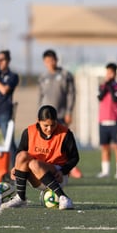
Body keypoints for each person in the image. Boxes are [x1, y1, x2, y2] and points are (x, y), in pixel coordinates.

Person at [1, 105, 79, 209]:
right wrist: (16, 167)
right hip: (37, 176)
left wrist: (63, 171)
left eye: (53, 125)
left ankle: (63, 197)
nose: (49, 129)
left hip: (58, 176)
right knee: (22, 156)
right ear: (38, 121)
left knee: (34, 163)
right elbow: (20, 152)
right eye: (46, 125)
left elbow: (75, 157)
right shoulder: (29, 132)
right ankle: (20, 198)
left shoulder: (65, 133)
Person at [38, 49, 82, 178]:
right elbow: (40, 96)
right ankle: (48, 167)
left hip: (60, 115)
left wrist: (69, 111)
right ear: (44, 62)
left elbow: (71, 95)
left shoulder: (65, 75)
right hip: (45, 118)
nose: (50, 63)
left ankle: (71, 167)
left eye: (52, 60)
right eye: (47, 61)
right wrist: (39, 114)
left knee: (63, 143)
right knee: (47, 143)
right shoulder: (42, 77)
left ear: (56, 60)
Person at [97, 62, 117, 179]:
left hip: (115, 120)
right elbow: (100, 97)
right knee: (104, 147)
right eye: (107, 72)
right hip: (103, 120)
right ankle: (105, 171)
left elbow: (115, 99)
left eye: (111, 73)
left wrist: (110, 86)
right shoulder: (102, 86)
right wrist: (106, 86)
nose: (109, 75)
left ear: (115, 74)